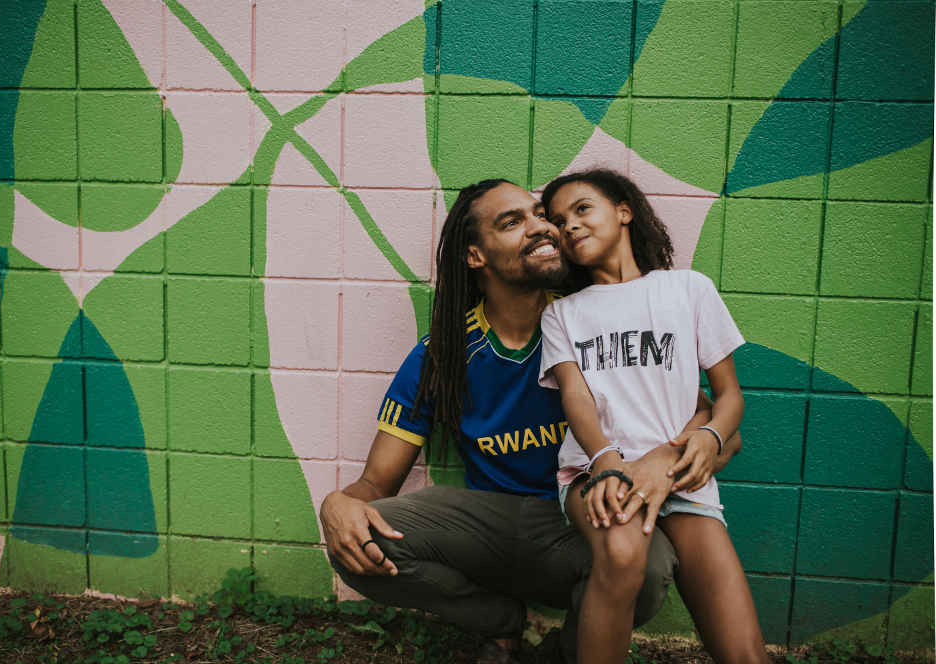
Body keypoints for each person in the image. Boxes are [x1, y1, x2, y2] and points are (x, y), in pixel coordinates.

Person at [319, 179, 741, 664]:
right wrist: (338, 503)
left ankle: (569, 653)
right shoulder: (444, 354)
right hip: (486, 526)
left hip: (578, 523)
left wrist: (678, 452)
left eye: (541, 215)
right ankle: (499, 620)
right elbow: (377, 482)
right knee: (359, 538)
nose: (542, 227)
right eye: (512, 222)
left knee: (647, 566)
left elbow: (720, 431)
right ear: (475, 256)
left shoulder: (588, 328)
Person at [538, 169, 769, 664]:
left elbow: (729, 395)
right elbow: (575, 397)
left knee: (745, 653)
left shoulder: (689, 290)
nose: (568, 225)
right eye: (557, 221)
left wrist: (709, 436)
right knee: (622, 553)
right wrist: (605, 460)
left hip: (683, 477)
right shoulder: (561, 314)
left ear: (624, 211)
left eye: (582, 208)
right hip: (600, 473)